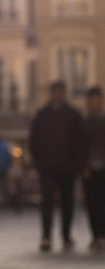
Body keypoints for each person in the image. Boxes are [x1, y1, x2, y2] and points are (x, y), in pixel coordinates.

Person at [29, 80, 85, 251]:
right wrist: (38, 162)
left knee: (67, 202)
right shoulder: (42, 115)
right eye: (55, 92)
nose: (57, 95)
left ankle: (66, 235)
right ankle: (46, 235)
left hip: (67, 167)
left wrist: (77, 163)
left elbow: (80, 141)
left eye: (60, 92)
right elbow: (34, 140)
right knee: (46, 201)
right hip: (47, 166)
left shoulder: (73, 115)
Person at [82, 86, 105, 251]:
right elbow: (79, 147)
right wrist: (83, 166)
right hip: (89, 170)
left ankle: (102, 235)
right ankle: (96, 235)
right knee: (91, 203)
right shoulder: (83, 124)